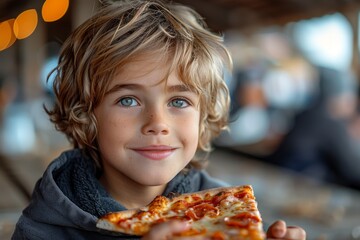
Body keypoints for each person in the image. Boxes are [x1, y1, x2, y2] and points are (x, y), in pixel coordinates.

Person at [12, 0, 306, 239]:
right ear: (86, 113)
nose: (157, 122)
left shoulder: (224, 212)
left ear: (203, 117)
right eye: (128, 100)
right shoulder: (43, 227)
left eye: (179, 101)